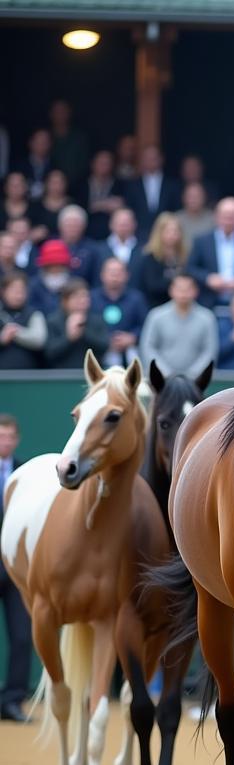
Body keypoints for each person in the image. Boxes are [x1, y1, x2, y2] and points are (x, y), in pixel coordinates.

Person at [0, 414, 31, 722]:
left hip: (15, 569)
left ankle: (12, 701)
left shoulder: (26, 474)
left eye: (9, 436)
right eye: (1, 436)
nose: (5, 442)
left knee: (22, 637)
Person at [139, 271, 218, 378]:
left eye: (188, 289)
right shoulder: (156, 316)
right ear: (171, 290)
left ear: (196, 291)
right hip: (161, 382)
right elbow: (147, 348)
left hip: (197, 383)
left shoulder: (207, 317)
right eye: (179, 289)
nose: (183, 293)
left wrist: (191, 376)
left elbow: (210, 352)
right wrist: (166, 374)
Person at [187, 198, 234, 308]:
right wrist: (208, 278)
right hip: (208, 302)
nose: (228, 220)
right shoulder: (202, 241)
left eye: (232, 217)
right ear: (216, 217)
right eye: (225, 216)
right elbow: (190, 268)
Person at [91, 257, 147, 368]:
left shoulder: (137, 298)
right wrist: (105, 340)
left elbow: (146, 325)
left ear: (127, 275)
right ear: (102, 275)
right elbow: (88, 325)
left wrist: (133, 337)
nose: (115, 276)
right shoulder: (92, 298)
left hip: (131, 352)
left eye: (119, 272)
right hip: (99, 353)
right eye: (111, 272)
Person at [43, 277, 109, 369]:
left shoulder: (97, 320)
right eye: (76, 297)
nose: (82, 300)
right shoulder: (53, 321)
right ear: (65, 301)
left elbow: (104, 347)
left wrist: (83, 332)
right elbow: (49, 353)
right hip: (61, 375)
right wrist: (69, 338)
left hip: (92, 373)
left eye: (85, 296)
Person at [123, 144, 181, 237]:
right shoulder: (132, 185)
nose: (150, 161)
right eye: (147, 158)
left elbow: (176, 210)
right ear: (142, 161)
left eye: (154, 158)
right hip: (139, 233)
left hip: (166, 233)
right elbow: (129, 208)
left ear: (161, 159)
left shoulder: (172, 185)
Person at [136, 212, 189, 309]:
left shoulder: (184, 255)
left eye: (176, 231)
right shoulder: (150, 257)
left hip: (181, 306)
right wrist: (176, 282)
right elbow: (153, 285)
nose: (172, 235)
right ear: (159, 233)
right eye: (168, 231)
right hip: (156, 306)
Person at [0, 272, 46, 370]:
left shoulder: (34, 314)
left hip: (28, 376)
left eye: (21, 290)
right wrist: (2, 339)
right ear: (3, 291)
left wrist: (16, 332)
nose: (18, 295)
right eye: (14, 290)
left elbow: (39, 340)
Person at [27, 239, 73, 316]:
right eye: (51, 266)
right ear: (45, 267)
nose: (56, 269)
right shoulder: (34, 285)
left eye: (60, 265)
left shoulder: (73, 284)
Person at [99, 207, 143, 278]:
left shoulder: (144, 250)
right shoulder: (98, 250)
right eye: (120, 223)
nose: (123, 226)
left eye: (126, 223)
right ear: (111, 224)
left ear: (135, 224)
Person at [176, 182, 216, 248]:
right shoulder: (176, 219)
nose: (193, 200)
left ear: (204, 197)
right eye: (190, 196)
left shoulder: (213, 219)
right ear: (183, 198)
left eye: (197, 196)